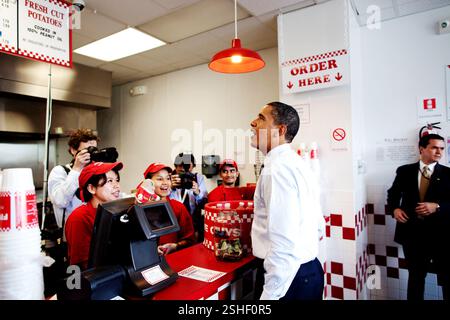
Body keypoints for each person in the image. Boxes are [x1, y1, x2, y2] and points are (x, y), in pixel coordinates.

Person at [250, 101, 325, 300]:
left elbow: (283, 241)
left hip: (287, 280)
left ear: (280, 130)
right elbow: (318, 224)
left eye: (261, 118)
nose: (253, 123)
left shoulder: (277, 170)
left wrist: (270, 295)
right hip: (308, 271)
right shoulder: (297, 163)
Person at [387, 133, 450, 300]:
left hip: (441, 237)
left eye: (442, 148)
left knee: (446, 279)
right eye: (434, 147)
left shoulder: (448, 174)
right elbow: (392, 194)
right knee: (415, 278)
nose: (439, 152)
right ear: (422, 149)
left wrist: (436, 206)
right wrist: (394, 209)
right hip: (412, 235)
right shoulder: (404, 171)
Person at [65, 161, 123, 270]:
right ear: (91, 188)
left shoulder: (117, 211)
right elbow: (84, 264)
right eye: (110, 181)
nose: (117, 186)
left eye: (117, 180)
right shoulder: (79, 218)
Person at [48, 128, 98, 228]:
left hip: (93, 228)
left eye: (94, 150)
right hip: (71, 231)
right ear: (73, 150)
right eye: (87, 150)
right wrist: (76, 169)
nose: (90, 155)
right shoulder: (60, 171)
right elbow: (60, 201)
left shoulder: (94, 172)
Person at [143, 163, 196, 255]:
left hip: (173, 261)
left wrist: (175, 246)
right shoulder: (140, 209)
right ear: (148, 183)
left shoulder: (178, 207)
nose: (165, 183)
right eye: (159, 179)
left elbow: (190, 240)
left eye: (168, 178)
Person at [170, 153, 208, 241]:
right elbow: (162, 199)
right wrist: (170, 188)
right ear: (175, 166)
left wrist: (197, 192)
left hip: (193, 220)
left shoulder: (198, 178)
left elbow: (204, 204)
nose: (183, 168)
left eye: (187, 165)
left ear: (193, 165)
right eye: (180, 165)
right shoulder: (169, 178)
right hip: (174, 220)